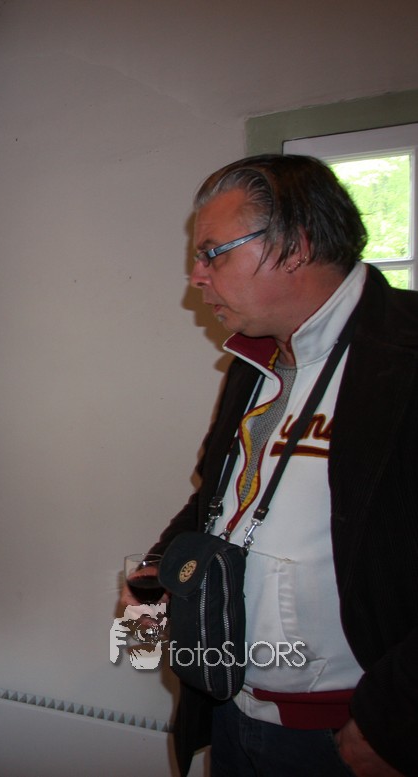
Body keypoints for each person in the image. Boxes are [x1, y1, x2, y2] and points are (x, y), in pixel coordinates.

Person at [122, 154, 418, 776]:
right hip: (234, 714)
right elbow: (218, 497)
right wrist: (161, 564)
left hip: (352, 737)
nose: (196, 278)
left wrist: (398, 719)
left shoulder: (406, 353)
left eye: (213, 254)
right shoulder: (253, 363)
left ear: (295, 247)